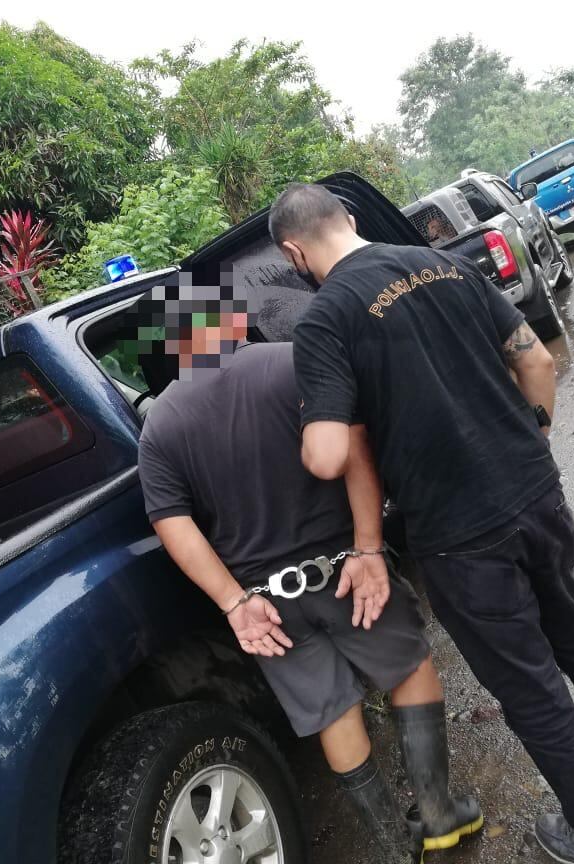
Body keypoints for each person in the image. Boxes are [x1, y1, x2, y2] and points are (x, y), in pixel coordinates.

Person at [270, 183, 574, 864]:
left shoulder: (326, 319)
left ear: (293, 252)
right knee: (573, 628)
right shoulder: (447, 265)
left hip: (458, 533)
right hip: (534, 491)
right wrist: (531, 436)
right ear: (352, 220)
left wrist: (311, 415)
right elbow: (537, 359)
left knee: (527, 682)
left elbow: (330, 452)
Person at [133, 280, 483, 864]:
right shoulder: (293, 362)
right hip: (345, 574)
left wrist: (233, 603)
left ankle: (395, 850)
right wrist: (369, 548)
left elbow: (174, 526)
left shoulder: (161, 426)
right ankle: (440, 816)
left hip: (268, 606)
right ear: (227, 319)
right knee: (410, 669)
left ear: (170, 343)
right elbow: (354, 455)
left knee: (332, 713)